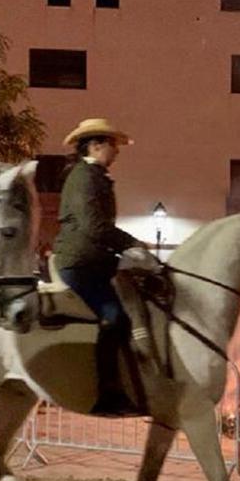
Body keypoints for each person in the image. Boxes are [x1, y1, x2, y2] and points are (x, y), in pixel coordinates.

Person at [52, 118, 157, 414]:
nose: (117, 151)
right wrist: (132, 244)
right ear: (96, 145)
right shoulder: (85, 178)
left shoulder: (93, 175)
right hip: (80, 263)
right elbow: (94, 227)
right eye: (113, 145)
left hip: (95, 261)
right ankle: (107, 394)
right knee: (115, 316)